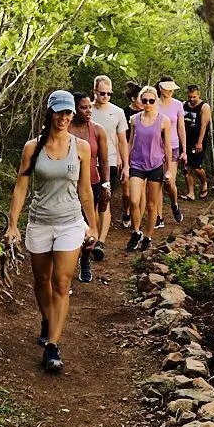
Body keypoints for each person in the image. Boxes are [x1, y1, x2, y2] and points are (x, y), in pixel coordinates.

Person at [4, 91, 97, 374]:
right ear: (50, 113)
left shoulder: (80, 147)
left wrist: (92, 225)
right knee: (41, 279)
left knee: (61, 281)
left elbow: (85, 190)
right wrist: (12, 224)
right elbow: (21, 187)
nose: (64, 118)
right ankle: (47, 319)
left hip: (70, 222)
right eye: (59, 112)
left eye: (69, 113)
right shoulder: (33, 148)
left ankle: (53, 347)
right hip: (40, 221)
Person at [125, 86, 171, 253]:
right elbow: (130, 141)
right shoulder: (134, 119)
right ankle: (136, 232)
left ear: (156, 101)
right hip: (137, 163)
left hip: (155, 164)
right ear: (140, 101)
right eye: (144, 100)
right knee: (134, 200)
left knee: (152, 205)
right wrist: (126, 163)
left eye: (151, 100)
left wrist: (169, 170)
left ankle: (148, 236)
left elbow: (167, 146)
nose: (148, 103)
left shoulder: (163, 120)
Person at [69, 92, 109, 281]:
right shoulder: (65, 129)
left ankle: (84, 260)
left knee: (87, 227)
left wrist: (106, 185)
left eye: (89, 107)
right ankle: (65, 263)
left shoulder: (98, 130)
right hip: (68, 184)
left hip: (91, 183)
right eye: (83, 107)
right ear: (74, 109)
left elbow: (104, 160)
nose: (88, 111)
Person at [90, 75, 129, 248]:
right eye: (102, 93)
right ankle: (91, 235)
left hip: (110, 162)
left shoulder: (118, 112)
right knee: (90, 201)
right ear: (95, 92)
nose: (105, 96)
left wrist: (126, 165)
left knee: (104, 200)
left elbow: (122, 140)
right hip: (88, 162)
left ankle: (101, 241)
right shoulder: (86, 110)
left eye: (109, 93)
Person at [156, 77, 185, 224]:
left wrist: (184, 150)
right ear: (161, 88)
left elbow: (181, 127)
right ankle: (158, 217)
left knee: (168, 181)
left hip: (173, 145)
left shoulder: (178, 104)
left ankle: (174, 204)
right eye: (167, 88)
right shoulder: (154, 103)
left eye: (172, 88)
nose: (170, 91)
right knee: (156, 183)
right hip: (156, 147)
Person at [183, 85, 212, 201]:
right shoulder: (184, 104)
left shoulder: (204, 106)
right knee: (186, 167)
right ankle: (190, 193)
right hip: (186, 140)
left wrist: (199, 142)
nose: (192, 99)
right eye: (190, 97)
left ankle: (204, 182)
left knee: (196, 167)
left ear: (198, 95)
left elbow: (204, 126)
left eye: (194, 97)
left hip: (198, 141)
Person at [121, 82, 143, 228]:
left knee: (140, 190)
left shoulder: (147, 113)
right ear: (134, 99)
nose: (145, 102)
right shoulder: (124, 113)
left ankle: (137, 219)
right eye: (142, 99)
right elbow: (121, 137)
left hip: (142, 154)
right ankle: (126, 211)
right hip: (127, 152)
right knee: (126, 190)